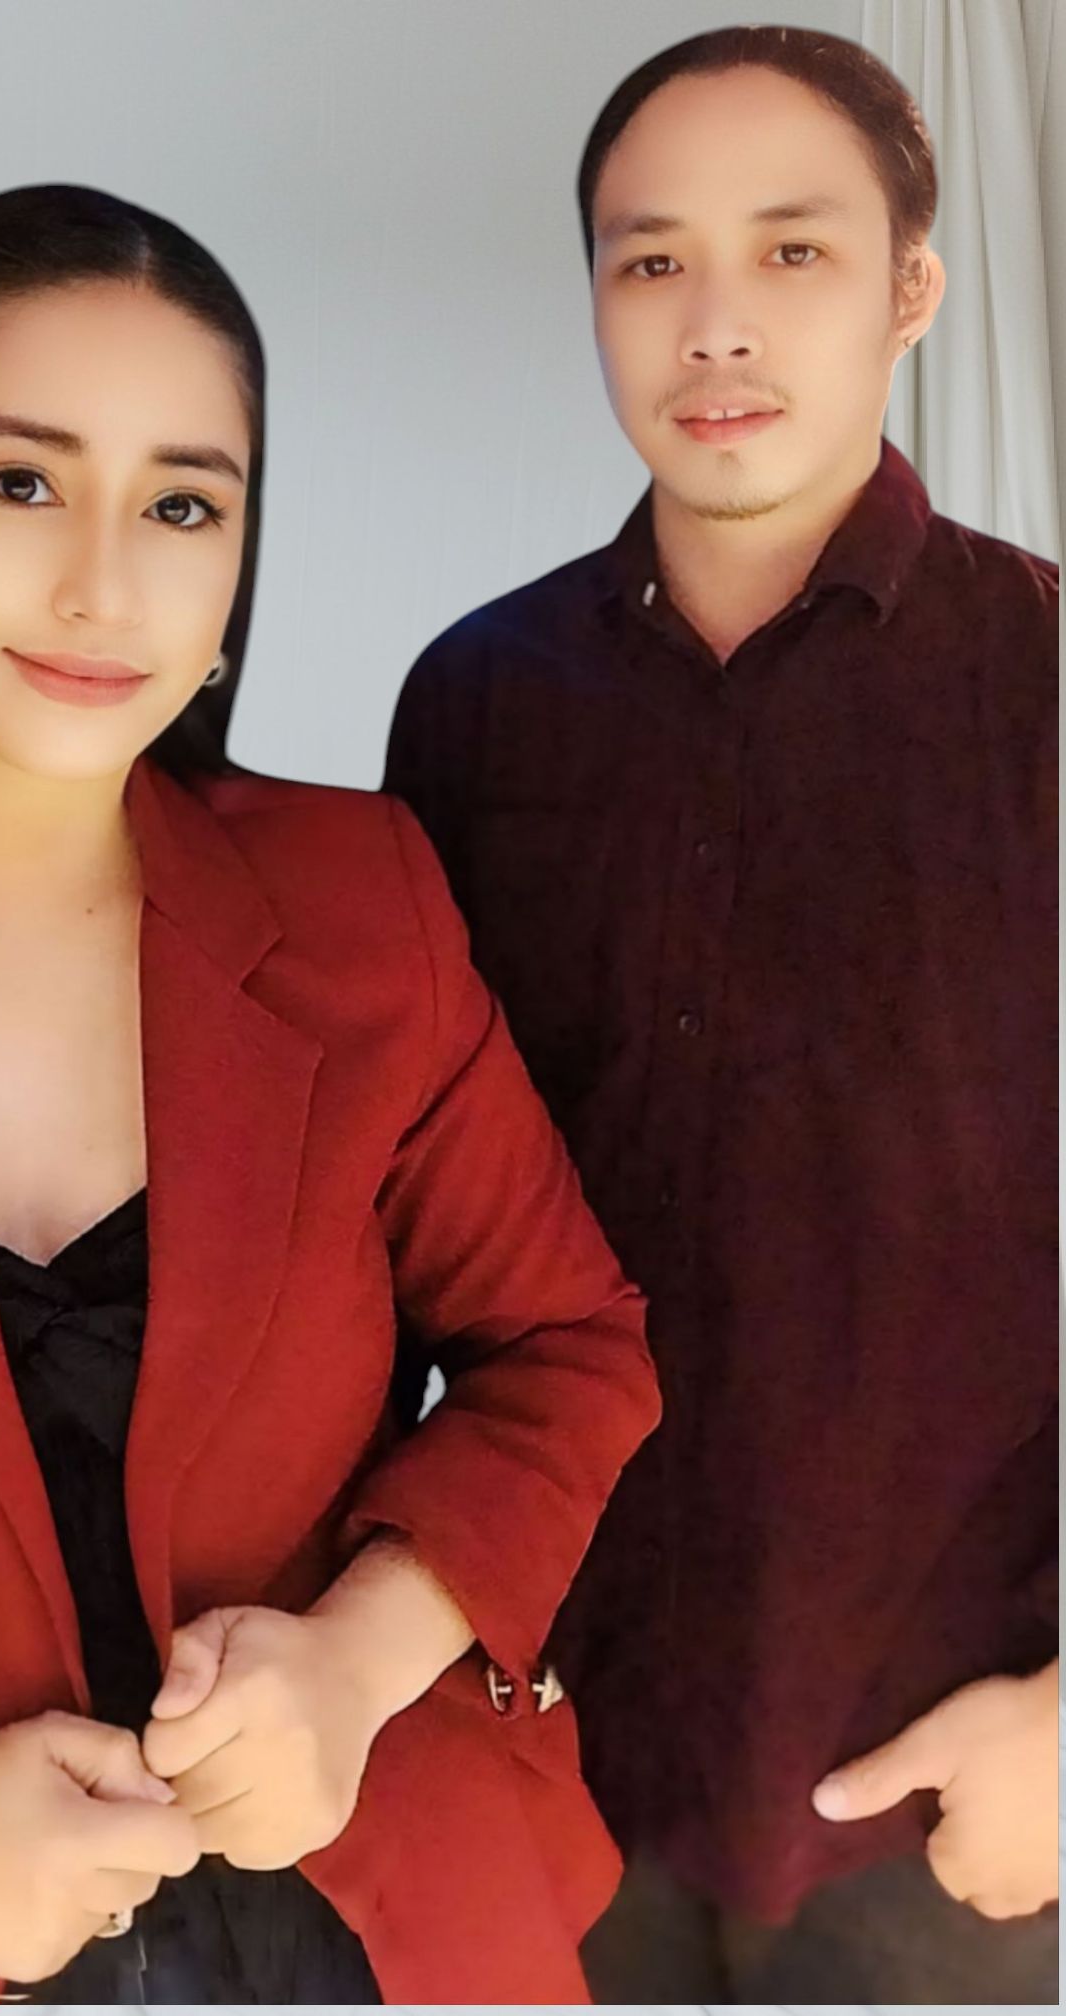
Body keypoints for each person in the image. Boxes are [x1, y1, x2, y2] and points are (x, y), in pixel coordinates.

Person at [0, 183, 659, 2007]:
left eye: (180, 504)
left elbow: (566, 1345)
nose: (104, 583)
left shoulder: (356, 897)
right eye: (18, 481)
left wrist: (358, 1659)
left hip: (382, 1925)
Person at [384, 26, 1057, 2007]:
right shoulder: (479, 704)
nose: (717, 322)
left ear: (912, 290)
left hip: (941, 1781)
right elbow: (404, 1220)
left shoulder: (1043, 682)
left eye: (794, 251)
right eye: (653, 259)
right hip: (537, 1737)